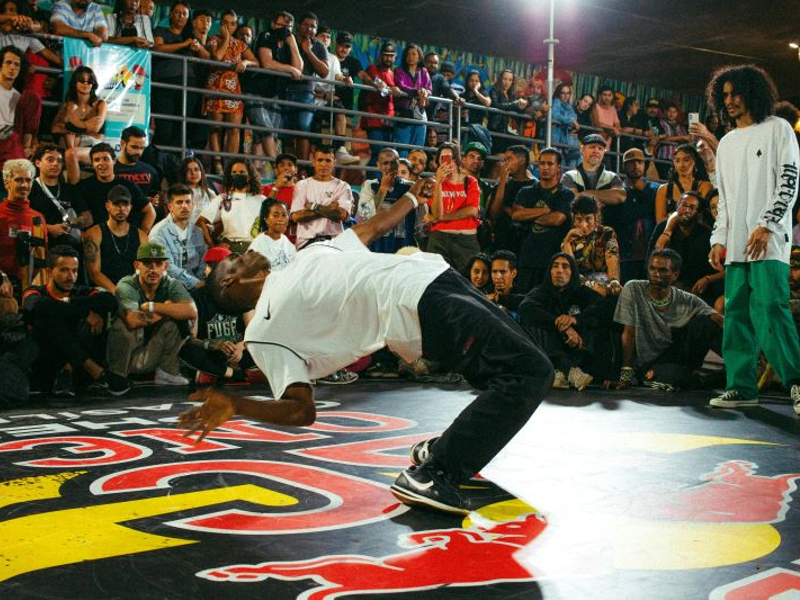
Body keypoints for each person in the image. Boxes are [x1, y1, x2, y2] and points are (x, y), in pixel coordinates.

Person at [177, 174, 553, 516]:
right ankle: (432, 472)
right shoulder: (262, 330)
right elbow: (300, 408)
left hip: (436, 275)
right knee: (529, 373)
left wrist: (412, 197)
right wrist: (237, 404)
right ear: (228, 284)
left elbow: (371, 229)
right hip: (416, 308)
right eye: (236, 260)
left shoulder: (299, 258)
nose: (248, 253)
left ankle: (443, 451)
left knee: (523, 366)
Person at [706, 64, 800, 411]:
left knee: (772, 310)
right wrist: (719, 238)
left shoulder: (778, 129)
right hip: (737, 246)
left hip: (770, 241)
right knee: (737, 314)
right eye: (725, 95)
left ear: (753, 92)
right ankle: (742, 387)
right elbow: (725, 200)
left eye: (736, 94)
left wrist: (768, 225)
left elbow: (788, 182)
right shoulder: (727, 143)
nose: (729, 101)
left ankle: (797, 381)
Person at [609, 248, 723, 391]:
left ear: (675, 275)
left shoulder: (686, 298)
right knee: (678, 377)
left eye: (663, 270)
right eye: (652, 269)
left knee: (706, 323)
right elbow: (629, 334)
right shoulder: (633, 289)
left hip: (675, 355)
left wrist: (752, 352)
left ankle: (744, 369)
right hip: (649, 364)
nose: (656, 274)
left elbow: (719, 320)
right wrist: (625, 378)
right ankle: (708, 380)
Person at [21, 244, 123, 396]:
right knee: (47, 318)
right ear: (49, 272)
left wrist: (69, 303)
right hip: (46, 369)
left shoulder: (81, 291)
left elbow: (110, 301)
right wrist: (83, 311)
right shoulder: (35, 292)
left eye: (74, 271)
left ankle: (70, 371)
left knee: (97, 313)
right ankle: (97, 372)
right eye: (64, 270)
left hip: (78, 373)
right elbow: (35, 305)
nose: (71, 277)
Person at [106, 241, 197, 389]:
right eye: (147, 263)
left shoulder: (171, 284)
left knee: (180, 322)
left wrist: (154, 306)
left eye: (158, 263)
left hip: (148, 356)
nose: (153, 269)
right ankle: (117, 376)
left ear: (165, 266)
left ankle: (166, 373)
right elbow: (132, 320)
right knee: (122, 324)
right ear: (137, 266)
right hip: (126, 355)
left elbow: (191, 311)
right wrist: (168, 309)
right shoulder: (126, 285)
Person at [520, 252, 608, 391]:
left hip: (579, 350)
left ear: (573, 272)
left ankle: (563, 371)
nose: (559, 270)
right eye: (555, 266)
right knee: (535, 324)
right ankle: (568, 372)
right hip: (551, 351)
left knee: (596, 321)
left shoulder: (581, 291)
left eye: (565, 266)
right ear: (550, 271)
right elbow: (525, 308)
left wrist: (575, 320)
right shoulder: (542, 291)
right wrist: (559, 324)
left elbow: (604, 308)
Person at [203, 9, 258, 174]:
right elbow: (218, 58)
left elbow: (257, 62)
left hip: (233, 89)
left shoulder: (240, 44)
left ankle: (231, 166)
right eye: (225, 23)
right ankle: (218, 164)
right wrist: (226, 38)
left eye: (232, 23)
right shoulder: (213, 40)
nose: (229, 26)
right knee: (216, 128)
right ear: (220, 25)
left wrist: (246, 63)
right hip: (216, 87)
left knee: (234, 129)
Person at [511, 147, 573, 292]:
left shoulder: (566, 194)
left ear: (558, 167)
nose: (545, 167)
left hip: (552, 261)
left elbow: (557, 219)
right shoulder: (526, 191)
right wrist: (544, 211)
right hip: (527, 260)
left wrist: (528, 215)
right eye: (542, 163)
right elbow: (516, 215)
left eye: (550, 164)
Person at [152, 1, 209, 147]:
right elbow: (158, 48)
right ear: (171, 14)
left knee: (181, 129)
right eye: (177, 12)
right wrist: (184, 45)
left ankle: (176, 164)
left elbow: (207, 58)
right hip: (164, 84)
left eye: (184, 13)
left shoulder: (191, 36)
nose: (180, 16)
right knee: (164, 127)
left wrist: (198, 47)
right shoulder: (160, 30)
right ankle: (160, 162)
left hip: (187, 84)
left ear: (188, 17)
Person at [655, 191, 723, 306]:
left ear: (699, 213)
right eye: (683, 205)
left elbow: (705, 268)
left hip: (697, 285)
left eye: (692, 208)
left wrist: (707, 279)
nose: (687, 210)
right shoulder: (663, 227)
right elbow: (651, 258)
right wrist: (667, 233)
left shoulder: (706, 233)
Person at [70, 143, 155, 232]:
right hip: (95, 237)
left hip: (124, 236)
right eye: (97, 160)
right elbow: (86, 218)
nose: (101, 163)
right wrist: (72, 223)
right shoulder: (83, 186)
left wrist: (142, 236)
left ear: (114, 160)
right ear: (93, 164)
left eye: (105, 159)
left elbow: (150, 212)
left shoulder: (128, 185)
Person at [604, 148, 658, 282]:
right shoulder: (615, 193)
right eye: (631, 162)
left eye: (639, 162)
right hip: (624, 254)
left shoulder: (656, 190)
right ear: (624, 166)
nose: (636, 166)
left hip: (649, 253)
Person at [424, 142, 480, 273]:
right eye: (443, 158)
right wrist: (438, 182)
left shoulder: (470, 181)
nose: (448, 162)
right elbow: (436, 213)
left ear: (457, 159)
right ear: (438, 162)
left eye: (451, 157)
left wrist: (442, 217)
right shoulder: (433, 183)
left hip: (466, 240)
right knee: (437, 281)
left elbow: (472, 210)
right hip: (439, 239)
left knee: (467, 282)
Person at [82, 184, 147, 293]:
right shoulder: (94, 234)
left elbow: (143, 270)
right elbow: (94, 274)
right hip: (104, 291)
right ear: (108, 206)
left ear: (130, 207)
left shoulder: (141, 236)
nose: (121, 209)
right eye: (116, 204)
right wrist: (117, 292)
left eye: (125, 204)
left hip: (133, 290)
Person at [282, 12, 328, 162]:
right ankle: (288, 169)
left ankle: (302, 169)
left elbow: (324, 72)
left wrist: (308, 51)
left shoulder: (319, 46)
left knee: (303, 128)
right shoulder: (289, 40)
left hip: (305, 94)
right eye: (306, 25)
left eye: (313, 26)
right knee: (286, 134)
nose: (309, 29)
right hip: (284, 91)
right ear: (298, 26)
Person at [29, 144, 91, 251]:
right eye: (50, 160)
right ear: (38, 163)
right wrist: (48, 228)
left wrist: (74, 221)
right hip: (41, 247)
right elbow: (20, 220)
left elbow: (88, 218)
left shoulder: (70, 189)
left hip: (70, 248)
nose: (55, 164)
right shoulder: (29, 188)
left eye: (59, 161)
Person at [290, 145, 353, 249]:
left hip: (334, 242)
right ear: (313, 161)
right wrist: (329, 209)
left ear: (334, 163)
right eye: (320, 160)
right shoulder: (302, 185)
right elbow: (296, 216)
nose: (323, 164)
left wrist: (313, 206)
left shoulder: (343, 186)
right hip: (306, 243)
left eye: (328, 160)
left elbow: (342, 215)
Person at [560, 194, 622, 298]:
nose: (584, 225)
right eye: (579, 219)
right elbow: (571, 271)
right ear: (574, 220)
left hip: (605, 282)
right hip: (579, 287)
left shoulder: (606, 232)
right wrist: (567, 243)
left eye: (588, 219)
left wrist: (614, 281)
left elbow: (612, 257)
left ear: (596, 218)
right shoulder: (568, 239)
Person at [0, 158, 47, 293]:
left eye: (28, 180)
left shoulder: (38, 219)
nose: (24, 185)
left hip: (29, 287)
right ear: (6, 183)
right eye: (19, 180)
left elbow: (41, 258)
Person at [148, 183, 207, 290]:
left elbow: (203, 262)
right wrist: (195, 283)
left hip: (196, 286)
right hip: (168, 288)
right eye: (179, 202)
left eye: (188, 202)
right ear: (170, 207)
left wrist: (200, 282)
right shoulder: (158, 233)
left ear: (193, 205)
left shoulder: (197, 232)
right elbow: (166, 266)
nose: (184, 206)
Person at [356, 147, 415, 253]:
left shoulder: (411, 187)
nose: (389, 167)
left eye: (393, 163)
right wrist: (383, 189)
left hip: (404, 245)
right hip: (378, 245)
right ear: (378, 165)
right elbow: (365, 213)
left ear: (398, 164)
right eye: (385, 163)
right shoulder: (370, 185)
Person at [197, 160, 264, 253]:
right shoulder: (223, 198)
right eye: (234, 173)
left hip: (253, 250)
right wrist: (213, 245)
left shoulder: (261, 200)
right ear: (230, 176)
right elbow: (200, 221)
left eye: (242, 172)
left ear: (249, 176)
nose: (238, 175)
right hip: (228, 249)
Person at [54, 66, 106, 174]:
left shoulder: (100, 104)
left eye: (90, 81)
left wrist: (71, 125)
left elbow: (95, 128)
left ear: (93, 84)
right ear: (75, 83)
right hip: (71, 145)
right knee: (70, 135)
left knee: (71, 136)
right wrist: (85, 126)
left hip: (93, 146)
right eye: (82, 81)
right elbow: (55, 129)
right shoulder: (68, 105)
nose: (86, 84)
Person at [489, 144, 536, 255]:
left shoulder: (536, 187)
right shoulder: (502, 185)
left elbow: (528, 216)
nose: (505, 163)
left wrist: (507, 209)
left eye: (509, 159)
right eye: (504, 160)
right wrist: (502, 182)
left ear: (522, 160)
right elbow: (494, 214)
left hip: (525, 245)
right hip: (502, 242)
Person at [0, 45, 40, 167]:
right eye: (8, 63)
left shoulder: (20, 97)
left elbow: (28, 124)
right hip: (4, 138)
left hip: (15, 138)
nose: (12, 67)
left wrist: (32, 144)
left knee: (33, 97)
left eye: (16, 64)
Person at [654, 143, 713, 223]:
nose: (682, 165)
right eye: (677, 160)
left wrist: (673, 217)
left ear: (694, 161)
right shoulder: (663, 189)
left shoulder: (705, 186)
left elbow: (704, 217)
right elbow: (660, 222)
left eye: (686, 160)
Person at [561, 133, 626, 206]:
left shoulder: (612, 176)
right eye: (592, 147)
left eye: (600, 148)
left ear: (604, 153)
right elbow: (571, 200)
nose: (596, 151)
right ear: (582, 149)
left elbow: (620, 197)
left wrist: (584, 193)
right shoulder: (569, 176)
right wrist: (606, 198)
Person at [393, 43, 431, 155]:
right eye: (408, 54)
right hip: (404, 113)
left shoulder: (423, 71)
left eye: (414, 54)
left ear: (419, 57)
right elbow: (401, 86)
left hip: (420, 113)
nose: (410, 56)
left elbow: (429, 88)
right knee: (403, 151)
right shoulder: (399, 71)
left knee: (417, 151)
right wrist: (417, 92)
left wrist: (425, 92)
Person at [487, 69, 528, 157]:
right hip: (497, 128)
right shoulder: (494, 90)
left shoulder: (512, 94)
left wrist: (522, 106)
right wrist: (514, 104)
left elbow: (516, 109)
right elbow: (495, 105)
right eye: (505, 79)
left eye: (510, 80)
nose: (507, 82)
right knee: (498, 157)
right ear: (500, 79)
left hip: (509, 130)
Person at [248, 198, 296, 271]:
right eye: (275, 216)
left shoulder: (289, 245)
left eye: (284, 215)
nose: (280, 219)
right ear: (266, 219)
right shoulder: (258, 244)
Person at [114, 125, 160, 200]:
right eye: (134, 147)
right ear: (122, 144)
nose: (138, 152)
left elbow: (156, 199)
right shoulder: (111, 171)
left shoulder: (151, 171)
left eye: (142, 148)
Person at [177, 155, 217, 233]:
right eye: (189, 170)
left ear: (201, 172)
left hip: (208, 231)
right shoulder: (178, 193)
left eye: (196, 169)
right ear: (183, 174)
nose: (193, 173)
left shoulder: (209, 193)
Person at [486, 249, 524, 317]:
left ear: (513, 273)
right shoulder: (483, 292)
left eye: (503, 272)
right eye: (494, 272)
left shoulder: (524, 296)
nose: (498, 277)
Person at [550, 83, 580, 168]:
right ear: (558, 93)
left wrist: (570, 122)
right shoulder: (556, 101)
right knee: (559, 166)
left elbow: (574, 117)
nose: (565, 96)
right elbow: (555, 115)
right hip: (556, 138)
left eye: (568, 93)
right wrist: (569, 120)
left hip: (565, 140)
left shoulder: (568, 106)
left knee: (568, 166)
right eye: (563, 93)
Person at [591, 85, 621, 151]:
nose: (607, 97)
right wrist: (612, 128)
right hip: (595, 145)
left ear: (612, 97)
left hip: (607, 147)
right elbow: (597, 124)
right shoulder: (596, 106)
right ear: (600, 96)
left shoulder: (613, 109)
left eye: (609, 95)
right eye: (604, 95)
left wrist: (616, 128)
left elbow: (618, 125)